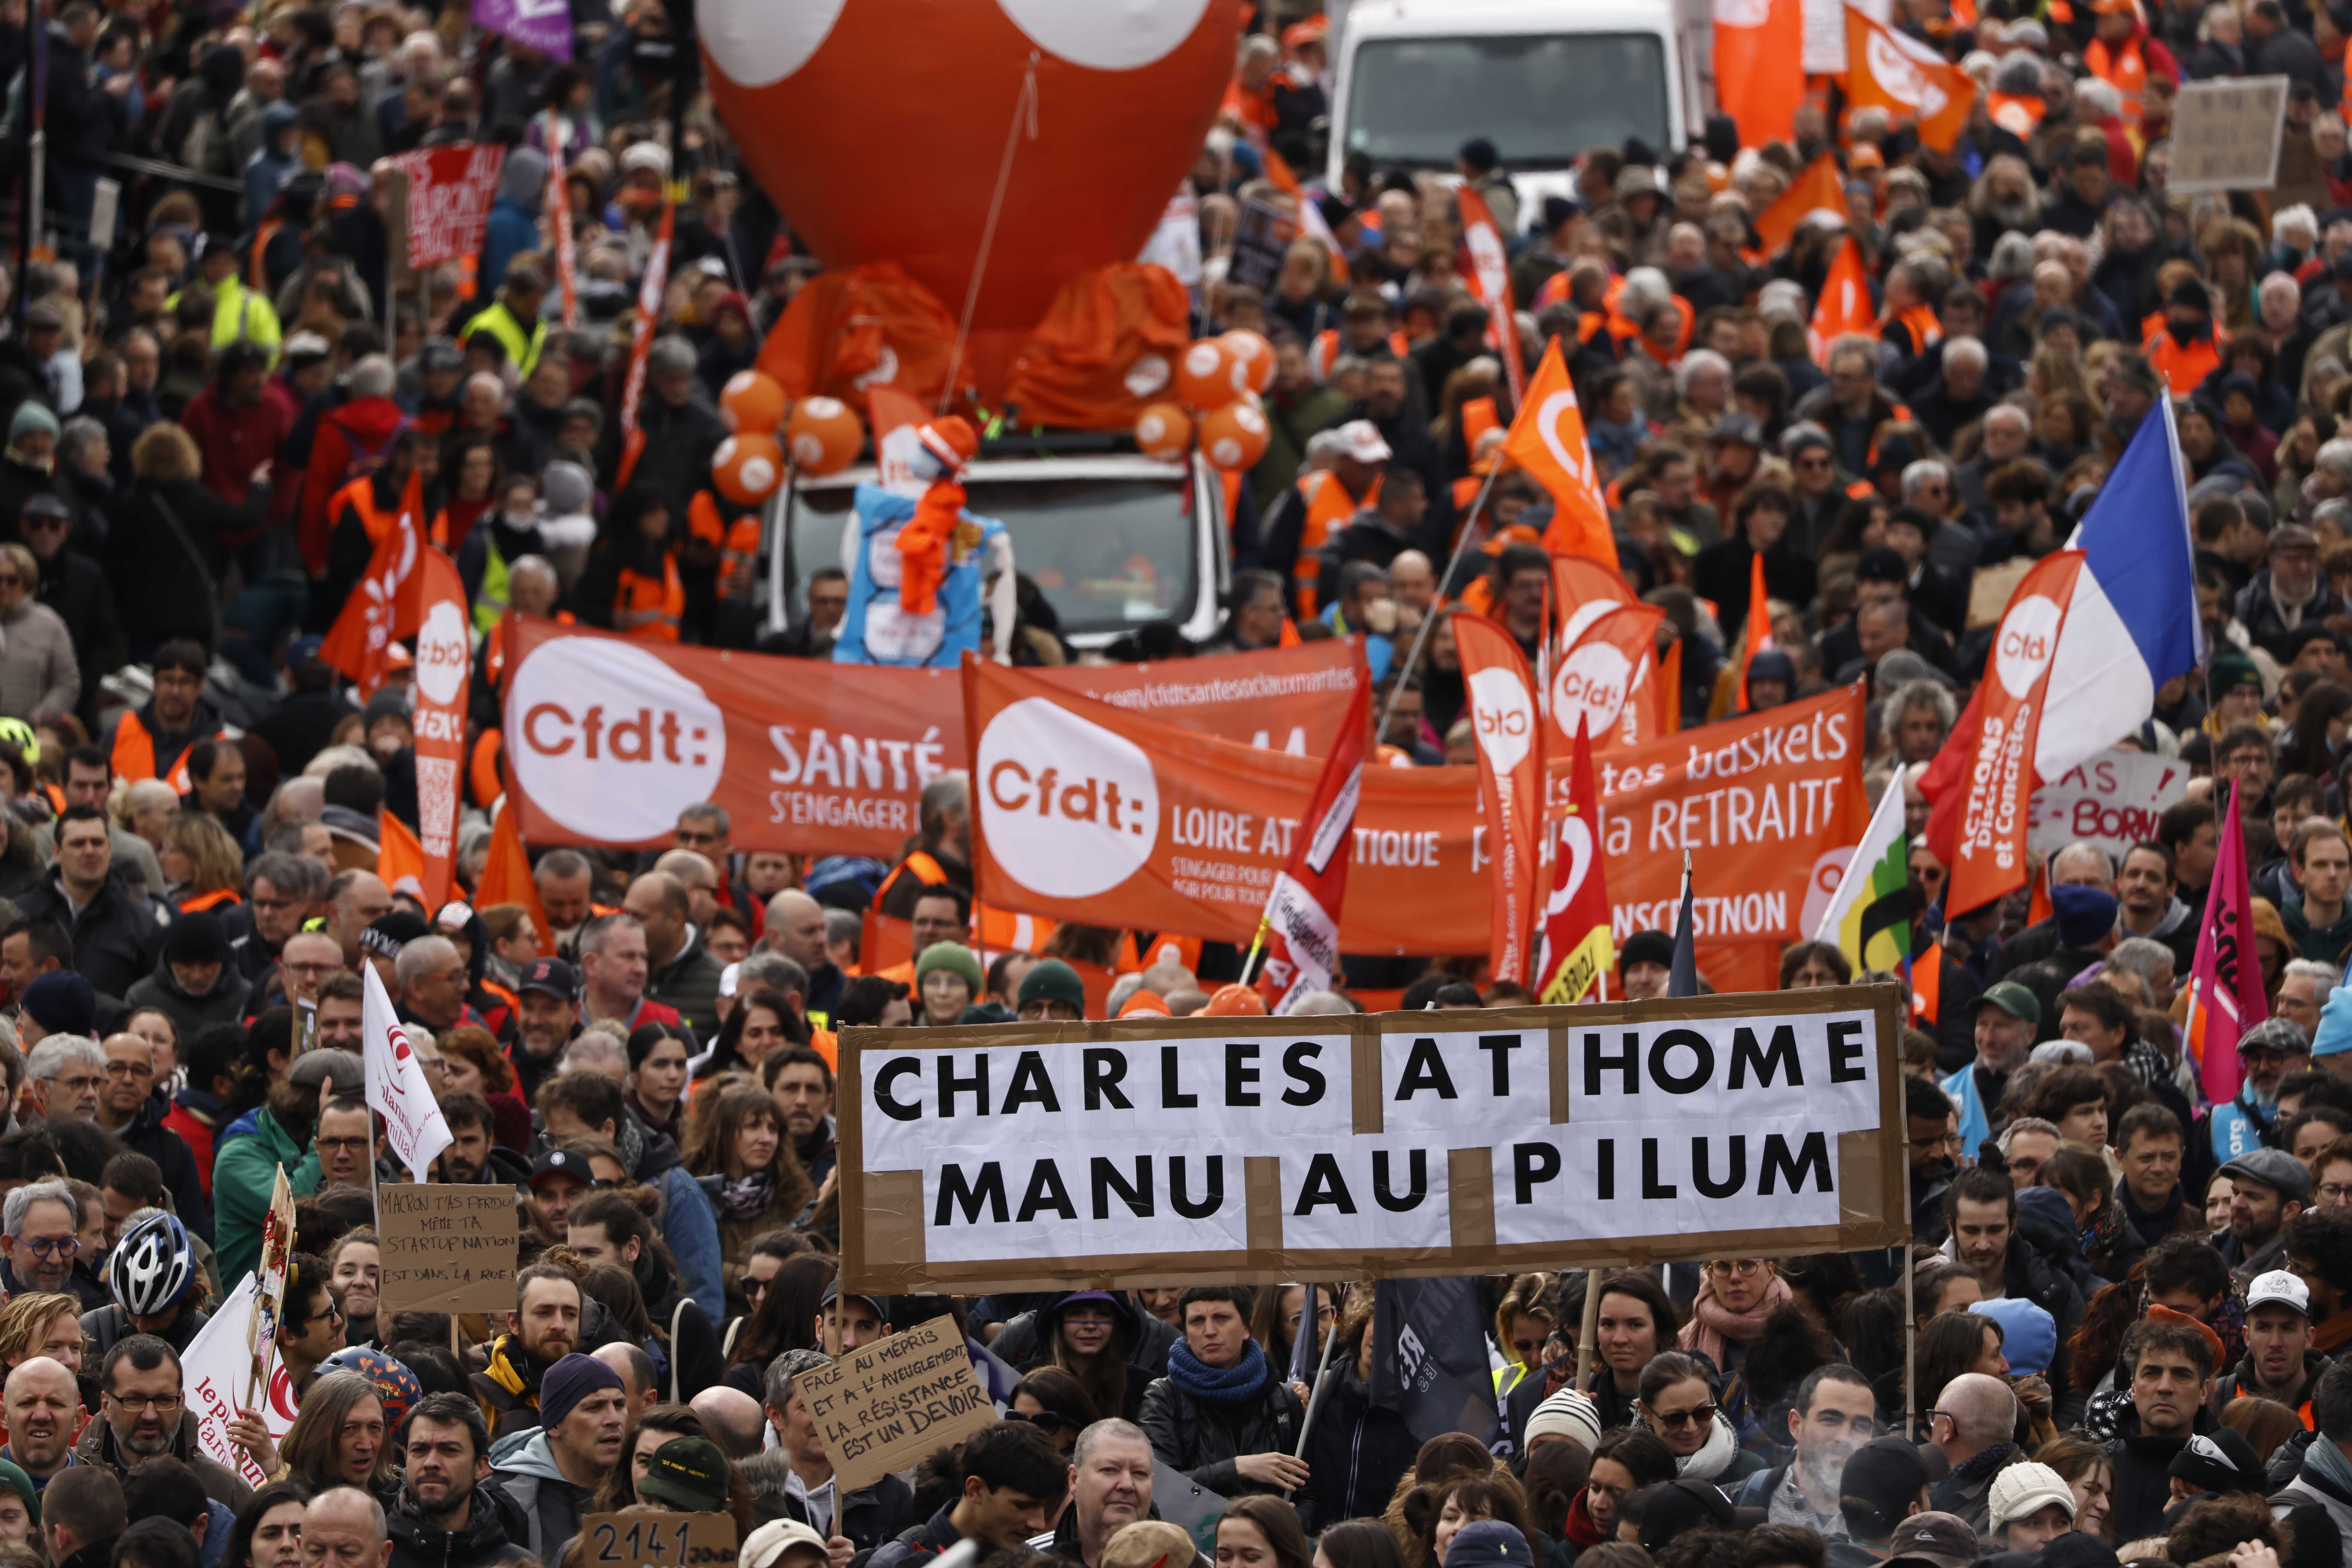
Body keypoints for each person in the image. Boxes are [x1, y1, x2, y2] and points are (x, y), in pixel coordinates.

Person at [1139, 1287, 1304, 1498]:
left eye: (1221, 1318)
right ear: (1187, 1334)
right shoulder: (1163, 1397)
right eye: (1197, 1321)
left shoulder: (1282, 1400)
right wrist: (1237, 1468)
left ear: (1246, 1327)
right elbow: (1156, 1484)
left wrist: (1287, 1521)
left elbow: (1309, 1493)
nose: (1209, 1330)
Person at [747, 1347, 912, 1550]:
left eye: (833, 1402)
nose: (825, 1418)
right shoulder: (748, 1495)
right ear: (776, 1415)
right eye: (807, 1406)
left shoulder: (890, 1492)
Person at [862, 1420, 1068, 1568]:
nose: (1038, 1523)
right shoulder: (894, 1562)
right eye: (1023, 1505)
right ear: (975, 1489)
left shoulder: (1036, 1563)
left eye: (1045, 1506)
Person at [489, 1352, 628, 1560]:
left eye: (619, 1405)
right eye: (594, 1407)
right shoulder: (503, 1501)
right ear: (554, 1425)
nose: (614, 1419)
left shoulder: (641, 1485)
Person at [2103, 1318, 2219, 1540]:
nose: (2165, 1387)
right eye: (2152, 1373)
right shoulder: (2098, 1469)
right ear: (2133, 1387)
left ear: (2204, 1391)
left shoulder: (2223, 1477)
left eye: (2181, 1375)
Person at [385, 1392, 529, 1568]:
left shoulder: (518, 1564)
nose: (431, 1463)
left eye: (449, 1450)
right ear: (407, 1460)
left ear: (480, 1466)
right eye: (420, 1450)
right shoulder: (374, 1557)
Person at [1733, 1364, 1879, 1535]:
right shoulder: (1742, 1501)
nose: (1845, 1437)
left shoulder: (1888, 1517)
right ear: (1796, 1425)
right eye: (1831, 1420)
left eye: (1861, 1426)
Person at [471, 1266, 587, 1438]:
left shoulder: (595, 1393)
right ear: (514, 1323)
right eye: (544, 1313)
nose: (560, 1325)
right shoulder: (477, 1397)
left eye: (570, 1314)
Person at [1925, 1373, 2023, 1533]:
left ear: (1948, 1429)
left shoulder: (1991, 1507)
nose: (1932, 1426)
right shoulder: (2030, 1481)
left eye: (1935, 1417)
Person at [2218, 1147, 2310, 1280]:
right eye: (2236, 1193)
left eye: (2253, 1197)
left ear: (2290, 1211)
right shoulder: (2206, 1251)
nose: (2237, 1204)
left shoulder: (2300, 1274)